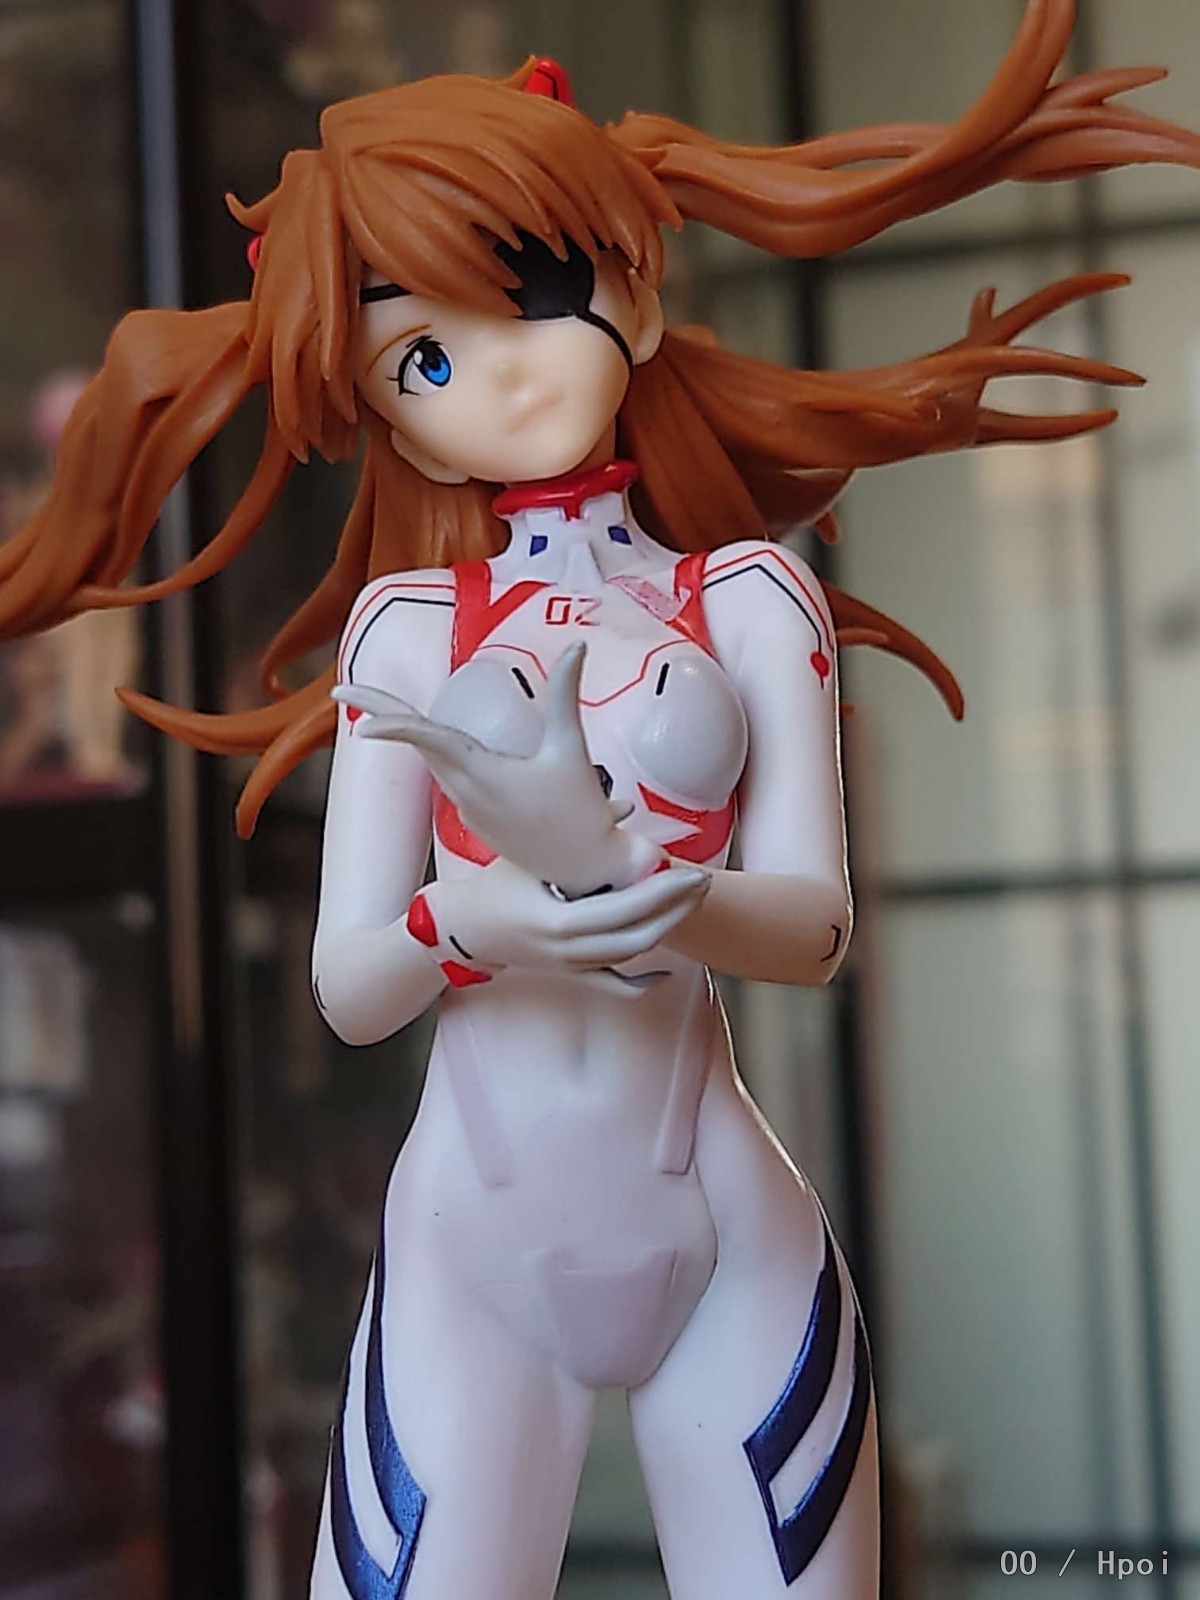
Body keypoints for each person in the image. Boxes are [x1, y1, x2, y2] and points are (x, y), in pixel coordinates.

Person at [3, 8, 1198, 1595]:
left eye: (529, 303)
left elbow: (813, 929)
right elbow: (351, 984)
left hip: (726, 1230)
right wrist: (478, 918)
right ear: (381, 406)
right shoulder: (406, 627)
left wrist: (663, 895)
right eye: (422, 358)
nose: (494, 379)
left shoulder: (748, 596)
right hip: (469, 1248)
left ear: (632, 291)